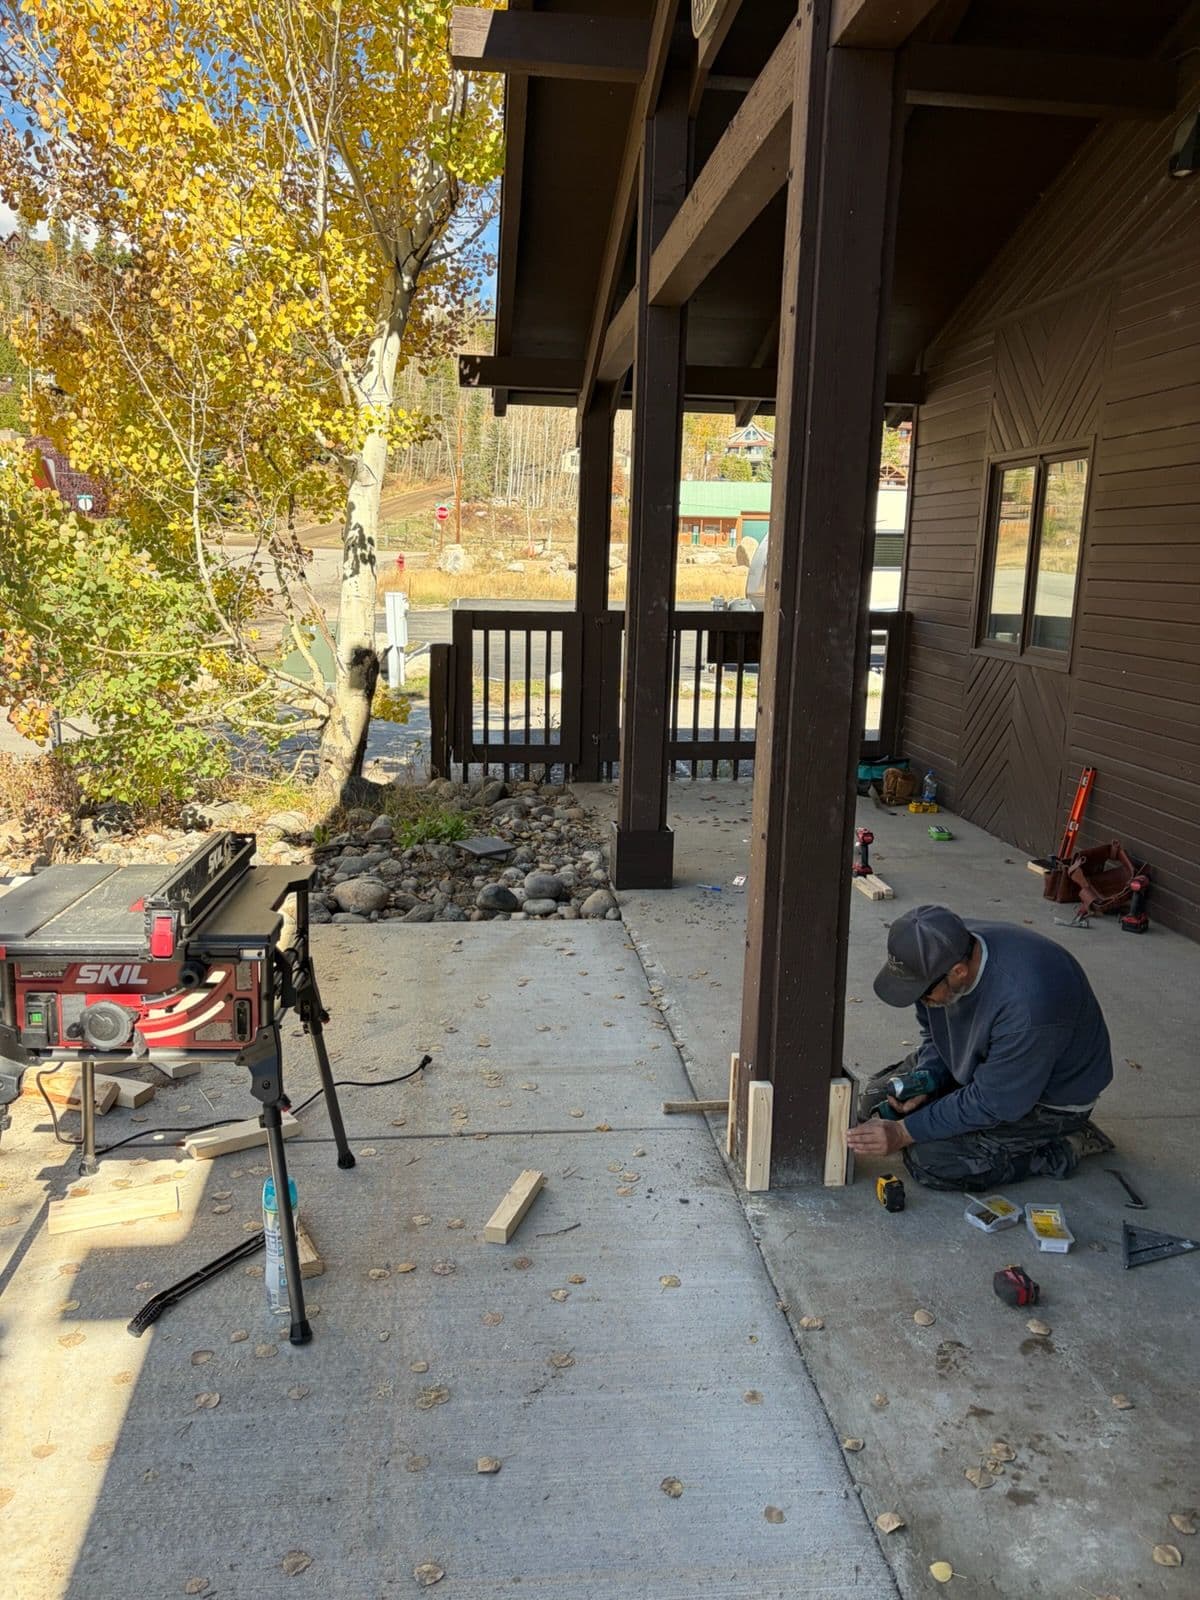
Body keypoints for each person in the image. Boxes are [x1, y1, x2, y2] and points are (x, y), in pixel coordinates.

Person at [845, 904, 1114, 1190]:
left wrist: (903, 1132)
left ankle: (1061, 1147)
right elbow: (936, 1033)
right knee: (876, 1101)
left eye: (922, 993)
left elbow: (992, 1101)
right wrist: (928, 1076)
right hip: (990, 1061)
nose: (920, 1001)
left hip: (1044, 1100)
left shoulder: (1029, 1008)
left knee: (932, 1160)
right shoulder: (944, 948)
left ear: (959, 971)